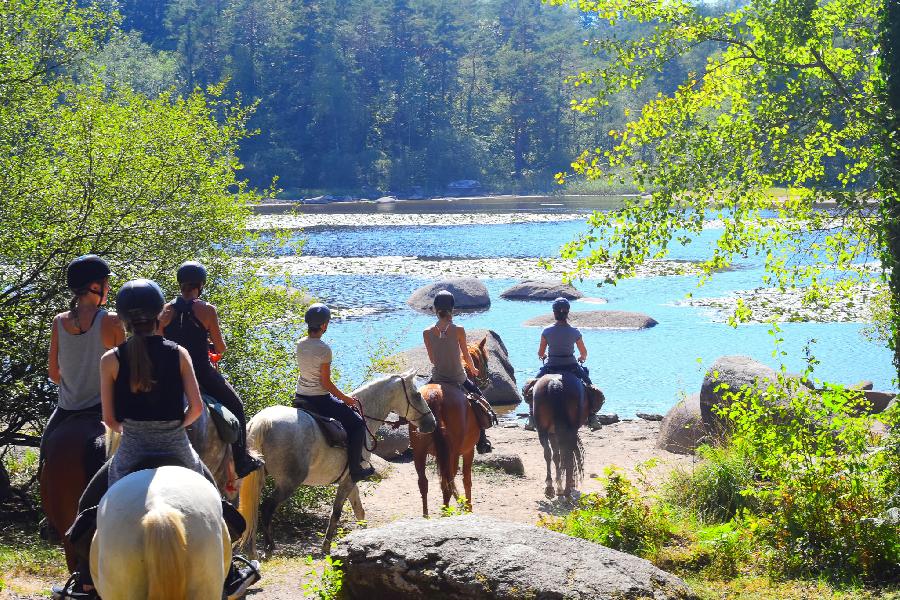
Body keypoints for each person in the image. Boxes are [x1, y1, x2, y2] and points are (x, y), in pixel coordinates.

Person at [53, 279, 259, 600]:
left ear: (122, 319)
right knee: (217, 505)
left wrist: (132, 430)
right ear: (157, 315)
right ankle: (230, 572)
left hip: (131, 450)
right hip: (177, 446)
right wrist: (177, 425)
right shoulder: (179, 353)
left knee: (86, 507)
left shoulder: (110, 359)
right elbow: (196, 408)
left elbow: (108, 420)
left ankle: (83, 578)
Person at [159, 261, 263, 478]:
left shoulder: (165, 311)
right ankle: (242, 460)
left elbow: (159, 343)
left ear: (180, 285)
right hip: (202, 374)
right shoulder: (206, 310)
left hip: (171, 377)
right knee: (237, 406)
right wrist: (210, 346)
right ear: (201, 285)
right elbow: (221, 347)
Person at [42, 255, 125, 463]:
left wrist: (77, 383)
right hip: (104, 409)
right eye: (107, 284)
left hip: (66, 411)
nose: (108, 288)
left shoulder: (59, 321)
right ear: (95, 286)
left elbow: (53, 374)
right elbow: (126, 372)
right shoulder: (112, 320)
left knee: (46, 450)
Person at [294, 303, 375, 482]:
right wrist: (345, 398)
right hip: (319, 400)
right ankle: (355, 469)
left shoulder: (300, 344)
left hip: (300, 396)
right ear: (324, 325)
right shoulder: (324, 349)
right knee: (358, 424)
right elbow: (325, 383)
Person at [422, 290, 493, 454]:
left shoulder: (426, 332)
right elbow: (467, 356)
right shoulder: (459, 329)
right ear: (452, 308)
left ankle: (417, 436)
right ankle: (482, 441)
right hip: (458, 377)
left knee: (417, 401)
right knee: (480, 401)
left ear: (435, 308)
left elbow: (432, 359)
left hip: (437, 377)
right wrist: (474, 368)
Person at [524, 297, 602, 430]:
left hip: (551, 366)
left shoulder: (546, 331)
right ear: (568, 313)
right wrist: (581, 358)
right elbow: (583, 353)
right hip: (571, 366)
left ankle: (531, 417)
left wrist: (544, 356)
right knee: (590, 386)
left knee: (530, 388)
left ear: (554, 313)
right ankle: (592, 416)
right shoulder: (575, 331)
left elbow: (540, 353)